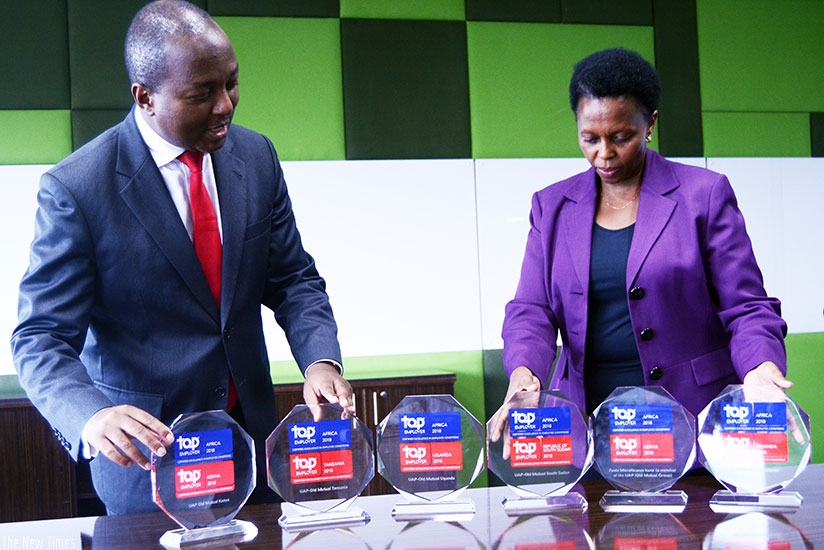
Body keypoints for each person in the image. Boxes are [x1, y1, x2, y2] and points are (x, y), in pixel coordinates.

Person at [11, 0, 353, 515]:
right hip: (149, 463)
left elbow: (293, 279)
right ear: (144, 96)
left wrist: (320, 360)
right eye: (202, 94)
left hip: (251, 449)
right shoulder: (77, 188)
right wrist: (92, 417)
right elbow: (40, 338)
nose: (225, 106)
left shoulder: (256, 156)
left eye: (231, 83)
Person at [494, 47, 791, 428]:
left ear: (650, 124)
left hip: (691, 415)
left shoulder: (703, 194)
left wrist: (760, 368)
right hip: (588, 420)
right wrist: (523, 373)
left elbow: (746, 306)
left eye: (621, 136)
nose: (604, 154)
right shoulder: (551, 207)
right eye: (589, 138)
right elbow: (530, 310)